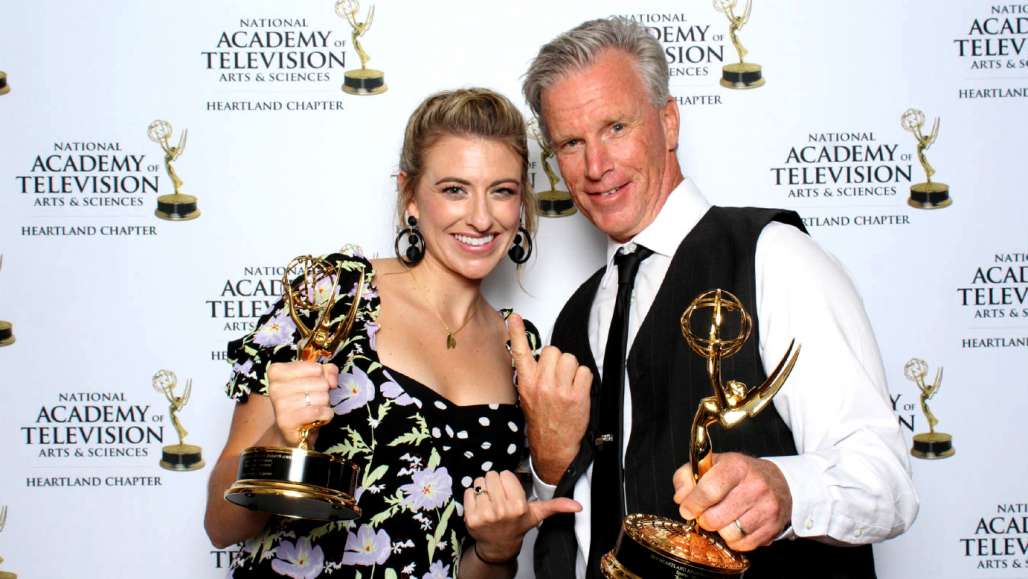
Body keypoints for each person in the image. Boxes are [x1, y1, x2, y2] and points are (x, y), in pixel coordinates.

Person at [511, 17, 919, 578]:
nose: (596, 166)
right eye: (571, 143)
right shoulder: (576, 317)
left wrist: (786, 489)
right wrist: (546, 464)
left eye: (616, 128)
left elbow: (887, 480)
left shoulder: (774, 257)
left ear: (669, 121)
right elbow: (579, 521)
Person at [204, 88, 581, 579]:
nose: (482, 218)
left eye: (502, 191)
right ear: (410, 196)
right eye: (454, 190)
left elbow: (458, 564)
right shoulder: (337, 294)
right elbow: (220, 523)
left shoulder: (521, 349)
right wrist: (282, 437)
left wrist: (496, 550)